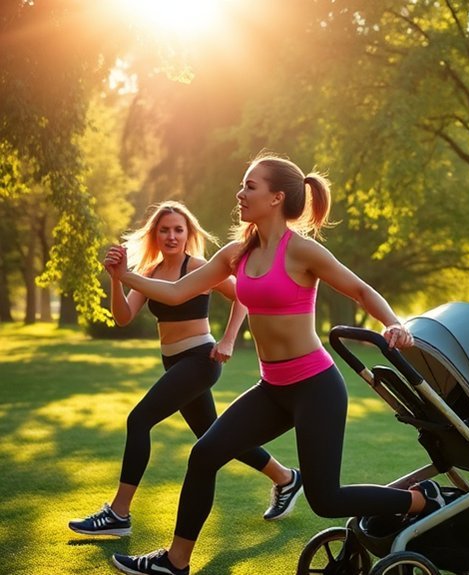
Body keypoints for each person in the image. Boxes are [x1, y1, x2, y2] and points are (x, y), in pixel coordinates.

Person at [103, 154, 443, 575]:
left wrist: (394, 324)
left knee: (325, 499)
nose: (240, 194)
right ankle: (176, 562)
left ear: (277, 198)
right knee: (205, 454)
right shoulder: (236, 254)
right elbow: (176, 292)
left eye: (250, 186)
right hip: (273, 388)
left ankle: (422, 499)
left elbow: (359, 290)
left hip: (316, 386)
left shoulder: (302, 251)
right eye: (243, 186)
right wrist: (124, 275)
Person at [68, 201, 300, 539]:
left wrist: (229, 340)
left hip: (200, 360)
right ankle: (285, 478)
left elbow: (244, 296)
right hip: (174, 362)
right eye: (164, 230)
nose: (171, 236)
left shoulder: (200, 267)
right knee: (214, 437)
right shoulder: (148, 272)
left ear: (188, 234)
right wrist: (116, 281)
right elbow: (123, 318)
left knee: (139, 420)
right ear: (155, 235)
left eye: (178, 229)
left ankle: (119, 513)